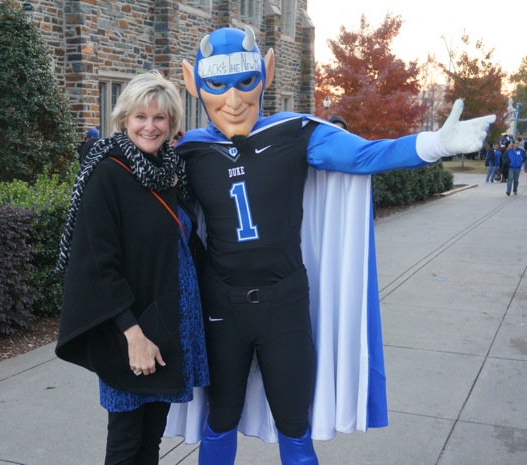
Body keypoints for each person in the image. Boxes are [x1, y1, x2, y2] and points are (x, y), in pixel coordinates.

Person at [164, 26, 494, 465]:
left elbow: (363, 157)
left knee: (294, 422)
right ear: (194, 83)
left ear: (267, 73)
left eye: (245, 81)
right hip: (221, 306)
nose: (234, 98)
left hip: (284, 303)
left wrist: (435, 144)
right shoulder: (188, 152)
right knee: (220, 417)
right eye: (217, 85)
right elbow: (142, 206)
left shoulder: (293, 133)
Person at [55, 70, 209, 465]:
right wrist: (133, 336)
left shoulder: (171, 173)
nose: (150, 126)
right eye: (140, 116)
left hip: (172, 324)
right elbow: (98, 265)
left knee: (150, 441)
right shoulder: (108, 172)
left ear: (172, 124)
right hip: (129, 329)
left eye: (160, 118)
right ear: (124, 119)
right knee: (125, 445)